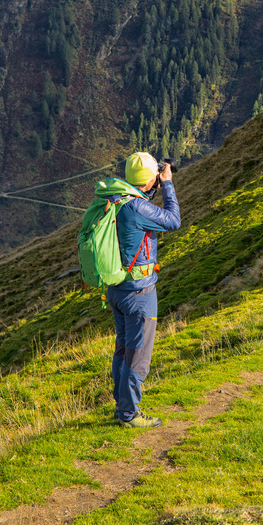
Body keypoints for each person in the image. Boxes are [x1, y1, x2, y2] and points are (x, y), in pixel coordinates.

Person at [106, 151, 181, 429]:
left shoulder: (116, 199)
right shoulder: (137, 209)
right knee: (138, 356)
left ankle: (121, 404)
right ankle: (128, 414)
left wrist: (152, 188)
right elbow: (173, 220)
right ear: (149, 180)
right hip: (139, 294)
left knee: (123, 350)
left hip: (117, 289)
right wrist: (169, 184)